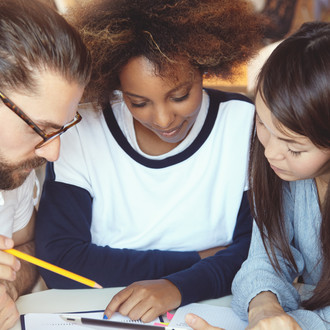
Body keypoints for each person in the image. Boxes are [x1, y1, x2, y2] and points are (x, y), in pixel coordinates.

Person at [35, 0, 264, 323]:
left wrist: (176, 287)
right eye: (138, 102)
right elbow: (60, 261)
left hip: (216, 312)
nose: (163, 119)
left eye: (180, 96)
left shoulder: (243, 123)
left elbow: (259, 252)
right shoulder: (84, 128)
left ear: (205, 67)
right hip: (100, 311)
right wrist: (200, 261)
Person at [186, 21, 330, 330]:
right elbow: (264, 259)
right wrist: (263, 308)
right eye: (263, 123)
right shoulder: (291, 174)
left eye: (294, 147)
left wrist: (289, 322)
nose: (270, 153)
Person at [0, 0, 91, 328]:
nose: (54, 154)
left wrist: (7, 286)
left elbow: (27, 245)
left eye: (64, 127)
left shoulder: (12, 172)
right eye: (39, 129)